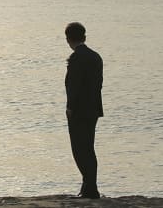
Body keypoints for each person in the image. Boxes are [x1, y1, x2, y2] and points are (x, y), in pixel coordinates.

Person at [65, 21, 103, 199]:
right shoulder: (96, 57)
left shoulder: (76, 58)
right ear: (84, 37)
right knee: (89, 147)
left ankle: (89, 187)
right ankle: (89, 185)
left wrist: (70, 107)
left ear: (68, 39)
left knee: (79, 149)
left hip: (79, 110)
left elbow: (74, 86)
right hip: (93, 108)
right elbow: (98, 85)